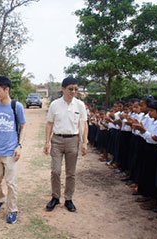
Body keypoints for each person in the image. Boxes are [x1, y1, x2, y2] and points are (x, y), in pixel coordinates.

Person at [0, 76, 26, 224]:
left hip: (11, 152)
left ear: (6, 89)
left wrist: (19, 146)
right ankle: (0, 199)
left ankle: (12, 209)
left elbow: (22, 126)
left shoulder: (17, 106)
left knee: (11, 183)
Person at [44, 77, 88, 213]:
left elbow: (84, 124)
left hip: (73, 141)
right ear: (63, 89)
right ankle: (55, 197)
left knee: (71, 173)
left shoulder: (80, 105)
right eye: (70, 89)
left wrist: (84, 142)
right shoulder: (55, 105)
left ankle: (68, 199)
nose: (73, 91)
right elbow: (50, 123)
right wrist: (47, 142)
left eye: (76, 89)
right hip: (57, 140)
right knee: (55, 171)